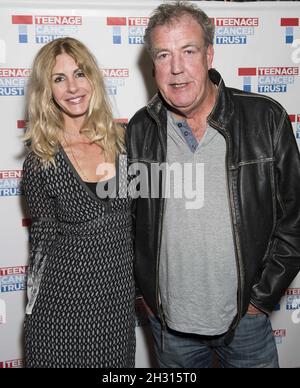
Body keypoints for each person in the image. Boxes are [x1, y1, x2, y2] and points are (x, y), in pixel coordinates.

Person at [126, 1, 300, 368]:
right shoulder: (141, 129)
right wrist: (149, 299)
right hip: (169, 328)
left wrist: (259, 301)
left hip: (245, 325)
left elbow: (295, 219)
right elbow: (131, 220)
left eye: (188, 51)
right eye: (163, 55)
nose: (176, 69)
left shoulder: (265, 118)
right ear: (152, 64)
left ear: (209, 54)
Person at [22, 37, 135, 368]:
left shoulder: (126, 144)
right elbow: (41, 242)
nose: (72, 87)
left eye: (79, 73)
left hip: (116, 311)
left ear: (93, 78)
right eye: (59, 78)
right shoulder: (42, 160)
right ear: (48, 89)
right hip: (61, 311)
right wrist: (32, 309)